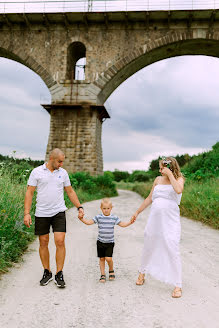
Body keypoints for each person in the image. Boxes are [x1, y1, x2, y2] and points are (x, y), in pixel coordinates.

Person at [24, 148, 84, 288]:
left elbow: (70, 191)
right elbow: (29, 192)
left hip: (58, 211)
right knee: (43, 242)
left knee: (60, 241)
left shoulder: (63, 173)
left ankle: (59, 273)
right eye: (60, 161)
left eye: (62, 161)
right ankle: (47, 272)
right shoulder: (37, 172)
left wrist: (79, 207)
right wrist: (27, 213)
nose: (61, 164)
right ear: (51, 158)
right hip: (42, 212)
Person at [132, 157, 184, 298]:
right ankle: (142, 273)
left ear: (169, 167)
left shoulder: (178, 179)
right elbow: (150, 198)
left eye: (162, 168)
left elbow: (178, 190)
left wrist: (170, 175)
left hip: (170, 220)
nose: (160, 170)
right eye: (160, 168)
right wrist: (137, 212)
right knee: (149, 244)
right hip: (154, 219)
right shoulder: (157, 180)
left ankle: (178, 285)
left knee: (172, 246)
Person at [78, 198, 135, 283]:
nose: (106, 210)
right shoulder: (98, 217)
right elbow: (89, 222)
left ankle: (111, 270)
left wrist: (130, 222)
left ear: (111, 208)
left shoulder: (114, 218)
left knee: (108, 258)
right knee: (102, 259)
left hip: (110, 243)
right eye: (104, 208)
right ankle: (102, 274)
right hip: (100, 242)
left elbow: (122, 224)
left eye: (108, 208)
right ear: (101, 208)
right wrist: (81, 219)